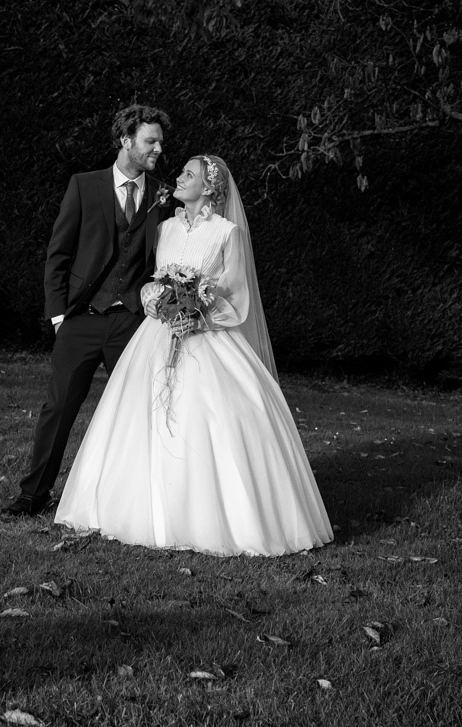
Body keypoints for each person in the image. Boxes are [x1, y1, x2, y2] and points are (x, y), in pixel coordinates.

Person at [53, 154, 333, 555]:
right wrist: (152, 298)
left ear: (209, 188)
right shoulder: (164, 228)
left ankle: (214, 517)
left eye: (189, 174)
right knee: (141, 417)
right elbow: (149, 280)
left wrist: (199, 318)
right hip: (156, 337)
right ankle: (138, 509)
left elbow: (237, 297)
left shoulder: (227, 233)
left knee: (209, 420)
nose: (179, 178)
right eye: (182, 172)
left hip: (208, 341)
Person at [4, 104, 176, 517]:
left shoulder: (163, 195)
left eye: (160, 142)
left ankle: (137, 502)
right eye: (150, 141)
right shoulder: (84, 186)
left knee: (138, 411)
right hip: (81, 318)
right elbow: (58, 255)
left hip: (132, 322)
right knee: (59, 408)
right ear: (126, 141)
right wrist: (59, 317)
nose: (158, 149)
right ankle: (34, 494)